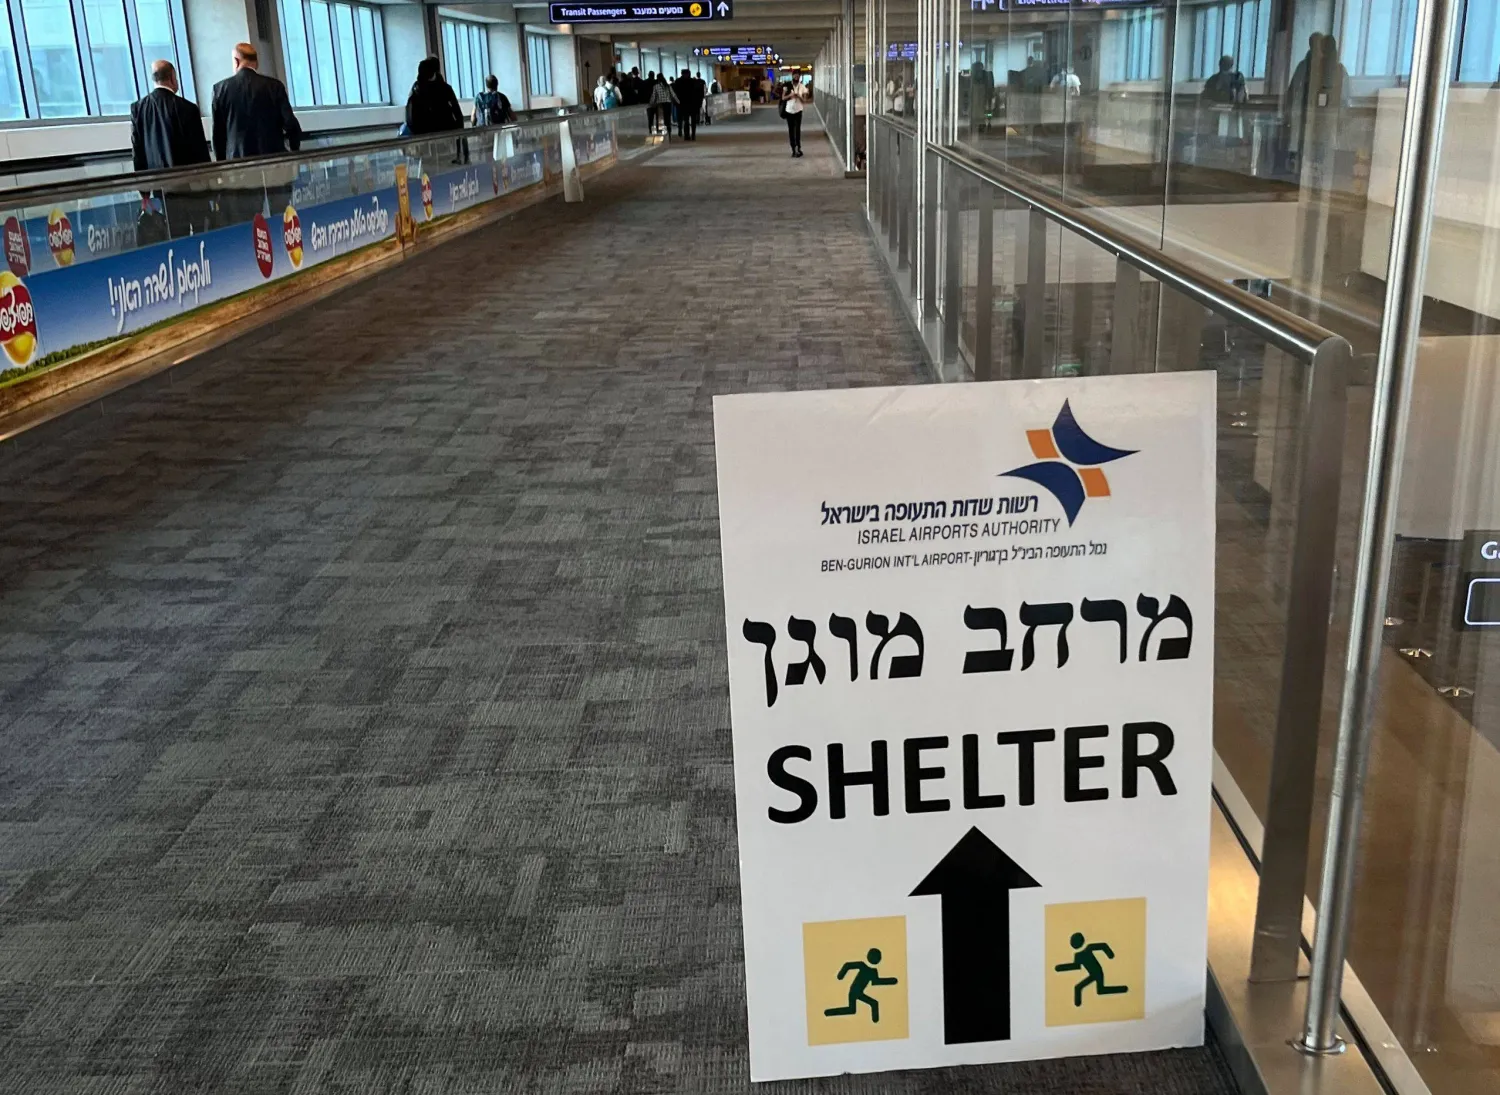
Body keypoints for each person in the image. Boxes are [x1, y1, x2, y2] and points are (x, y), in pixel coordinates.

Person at [211, 42, 301, 161]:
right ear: (256, 62)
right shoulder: (275, 86)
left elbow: (217, 135)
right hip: (273, 160)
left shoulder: (220, 89)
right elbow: (290, 124)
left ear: (236, 61)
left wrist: (221, 164)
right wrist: (294, 151)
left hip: (238, 163)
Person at [131, 59, 209, 171]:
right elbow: (199, 149)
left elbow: (138, 150)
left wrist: (143, 185)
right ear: (172, 77)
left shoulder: (138, 108)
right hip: (185, 179)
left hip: (155, 179)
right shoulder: (188, 108)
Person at [406, 56, 464, 135]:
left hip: (424, 136)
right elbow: (458, 114)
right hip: (447, 133)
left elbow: (410, 119)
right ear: (435, 72)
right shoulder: (445, 89)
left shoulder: (416, 91)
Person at [781, 78, 809, 157]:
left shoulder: (802, 87)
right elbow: (783, 98)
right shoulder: (787, 86)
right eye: (794, 75)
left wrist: (799, 96)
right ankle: (793, 148)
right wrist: (791, 95)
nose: (796, 77)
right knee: (791, 130)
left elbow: (804, 101)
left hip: (798, 111)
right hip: (789, 110)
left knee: (797, 130)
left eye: (797, 76)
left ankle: (798, 148)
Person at [673, 68, 703, 140]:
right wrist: (699, 103)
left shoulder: (678, 81)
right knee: (692, 121)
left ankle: (687, 135)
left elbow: (675, 93)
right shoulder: (693, 81)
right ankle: (693, 135)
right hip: (692, 104)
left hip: (683, 104)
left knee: (686, 120)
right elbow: (699, 93)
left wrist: (676, 103)